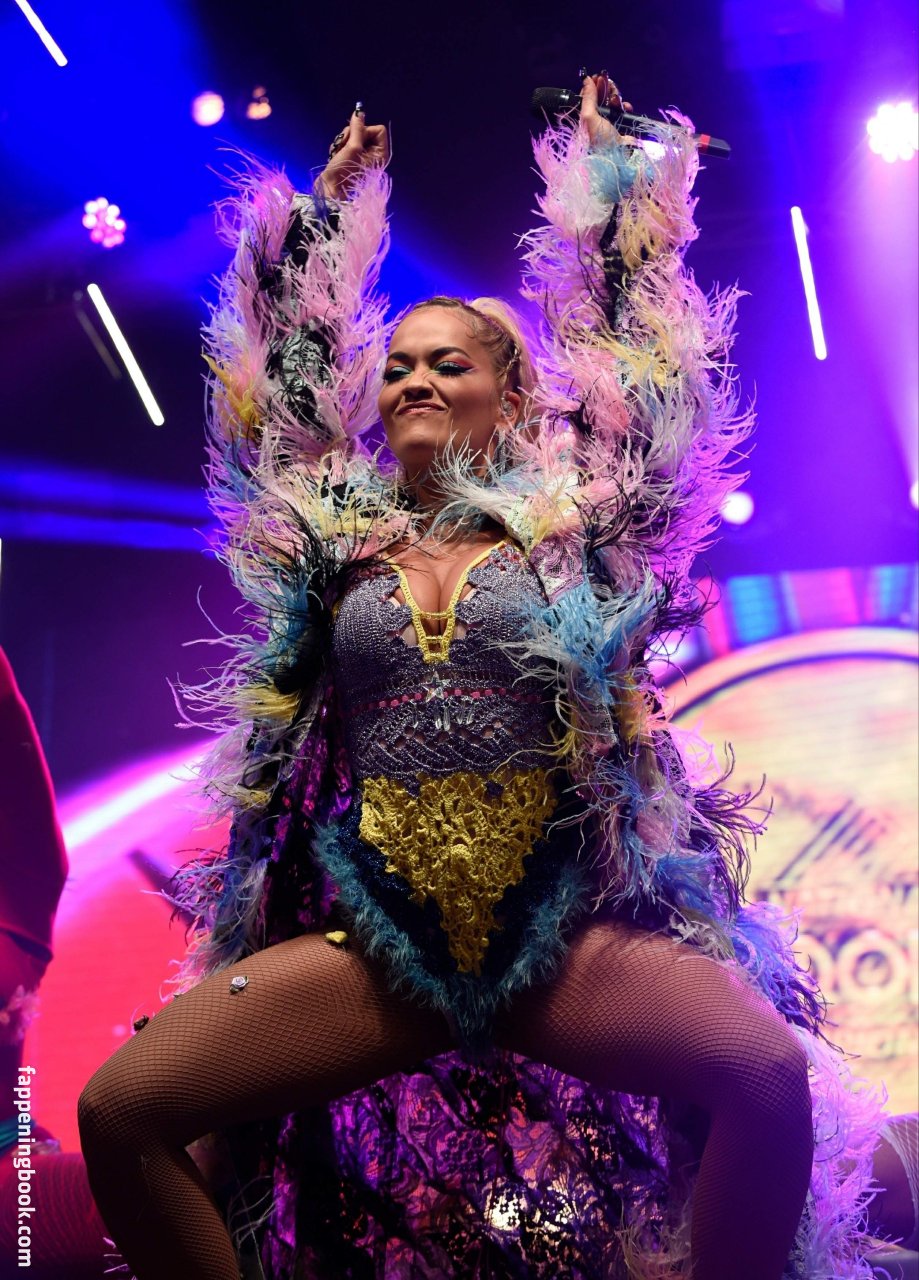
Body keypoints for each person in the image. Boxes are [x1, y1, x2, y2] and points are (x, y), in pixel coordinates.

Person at [77, 74, 886, 1279]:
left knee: (765, 1073)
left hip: (553, 944)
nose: (411, 381)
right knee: (118, 1109)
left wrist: (613, 196)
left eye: (446, 364)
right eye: (397, 366)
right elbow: (283, 402)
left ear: (510, 397)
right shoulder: (329, 540)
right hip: (384, 949)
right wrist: (322, 232)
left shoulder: (574, 530)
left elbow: (642, 384)